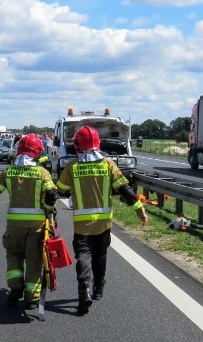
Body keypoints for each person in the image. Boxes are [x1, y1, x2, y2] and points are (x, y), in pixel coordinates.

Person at [55, 126, 149, 315]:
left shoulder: (72, 167)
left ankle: (84, 290)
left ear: (78, 145)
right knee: (100, 255)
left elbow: (60, 190)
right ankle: (98, 288)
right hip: (104, 223)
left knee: (83, 257)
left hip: (82, 225)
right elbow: (125, 190)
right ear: (97, 143)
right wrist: (140, 209)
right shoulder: (108, 165)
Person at [0, 134, 57, 312]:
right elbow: (52, 195)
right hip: (37, 226)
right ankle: (32, 299)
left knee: (14, 255)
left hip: (14, 225)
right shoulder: (42, 172)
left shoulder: (8, 172)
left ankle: (15, 289)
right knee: (34, 260)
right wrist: (48, 209)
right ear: (37, 153)